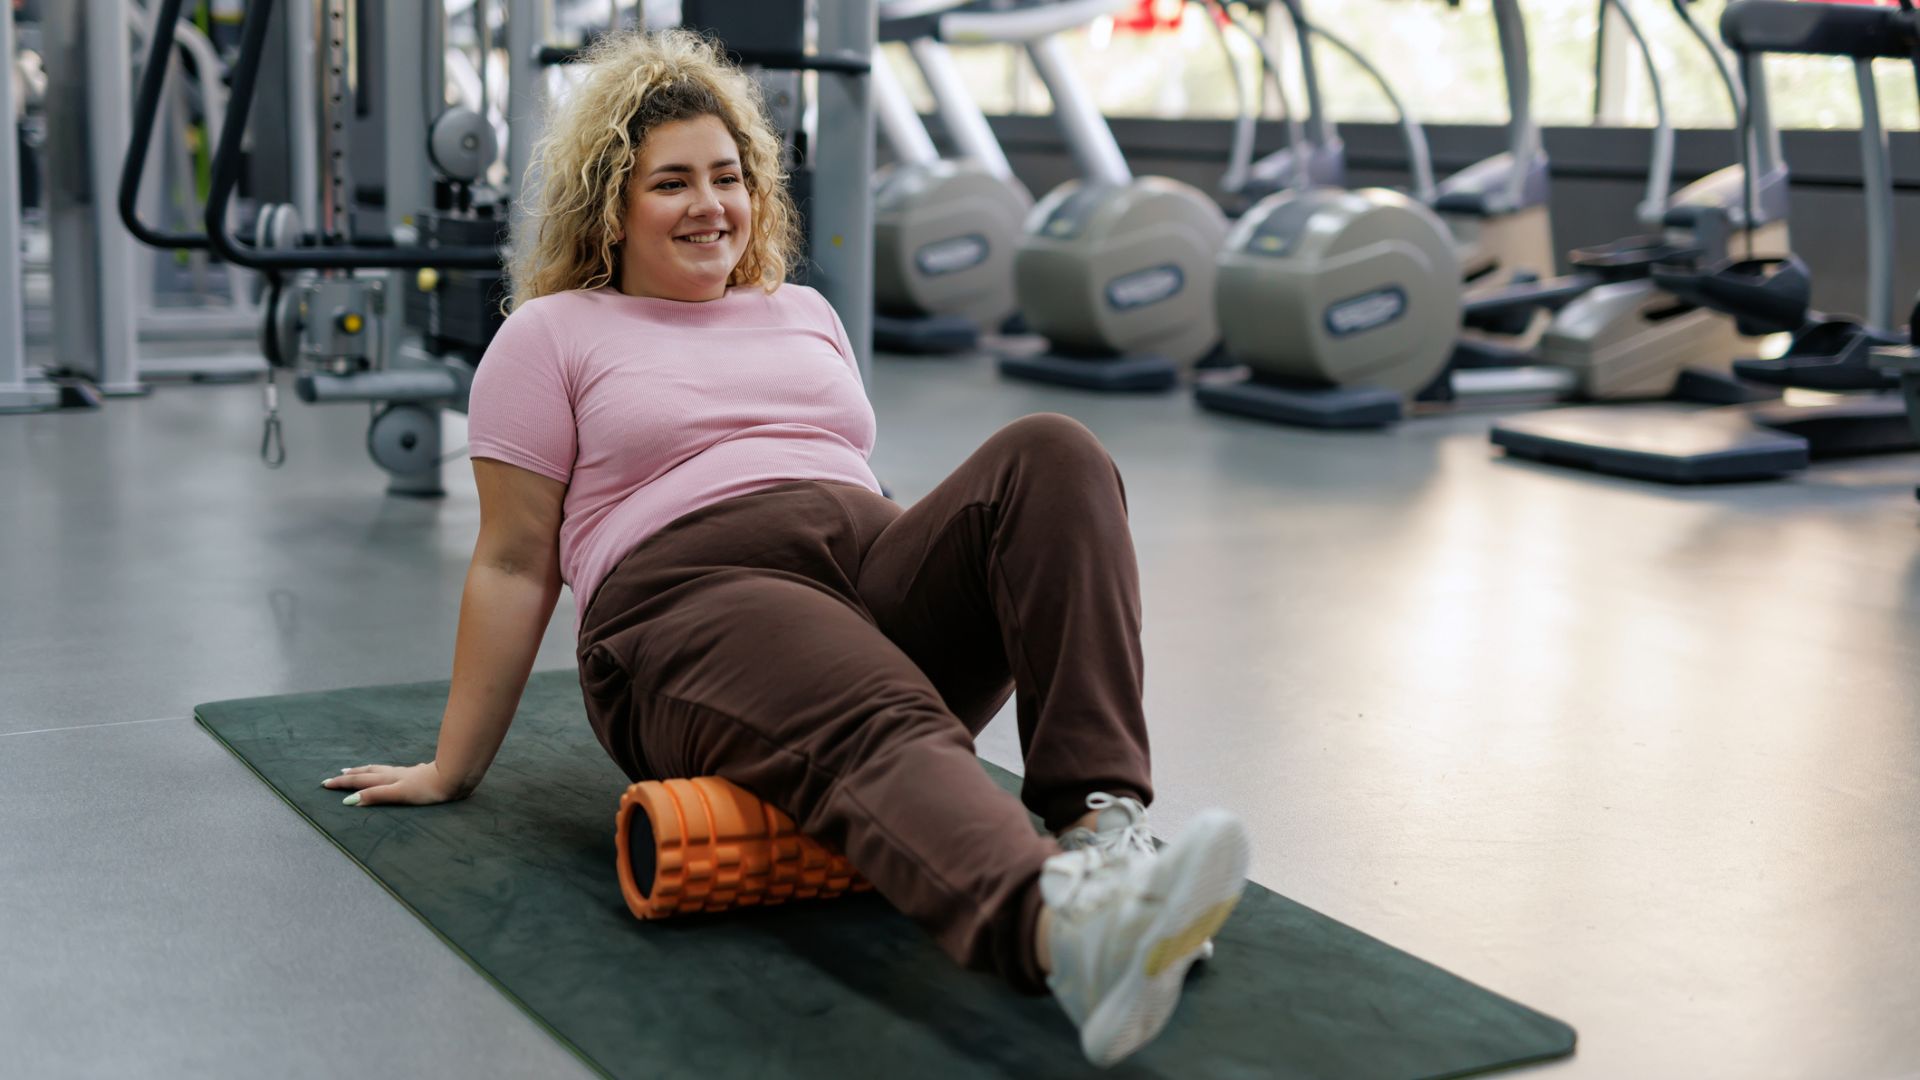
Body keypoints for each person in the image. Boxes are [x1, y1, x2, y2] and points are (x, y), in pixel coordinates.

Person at [320, 28, 1249, 1067]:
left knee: (1054, 452)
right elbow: (511, 559)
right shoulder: (551, 335)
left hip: (860, 567)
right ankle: (1060, 935)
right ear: (611, 207)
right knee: (869, 698)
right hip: (687, 603)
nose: (710, 205)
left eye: (729, 176)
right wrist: (453, 768)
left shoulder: (802, 311)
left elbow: (854, 474)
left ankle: (1098, 827)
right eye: (671, 182)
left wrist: (930, 578)